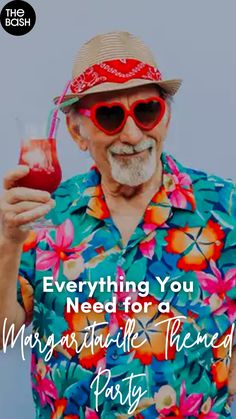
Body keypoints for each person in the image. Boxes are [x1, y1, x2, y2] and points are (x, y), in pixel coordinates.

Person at [0, 31, 235, 419]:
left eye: (146, 111)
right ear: (77, 132)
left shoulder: (226, 209)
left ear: (167, 116)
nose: (132, 134)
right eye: (109, 116)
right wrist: (8, 242)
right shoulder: (43, 214)